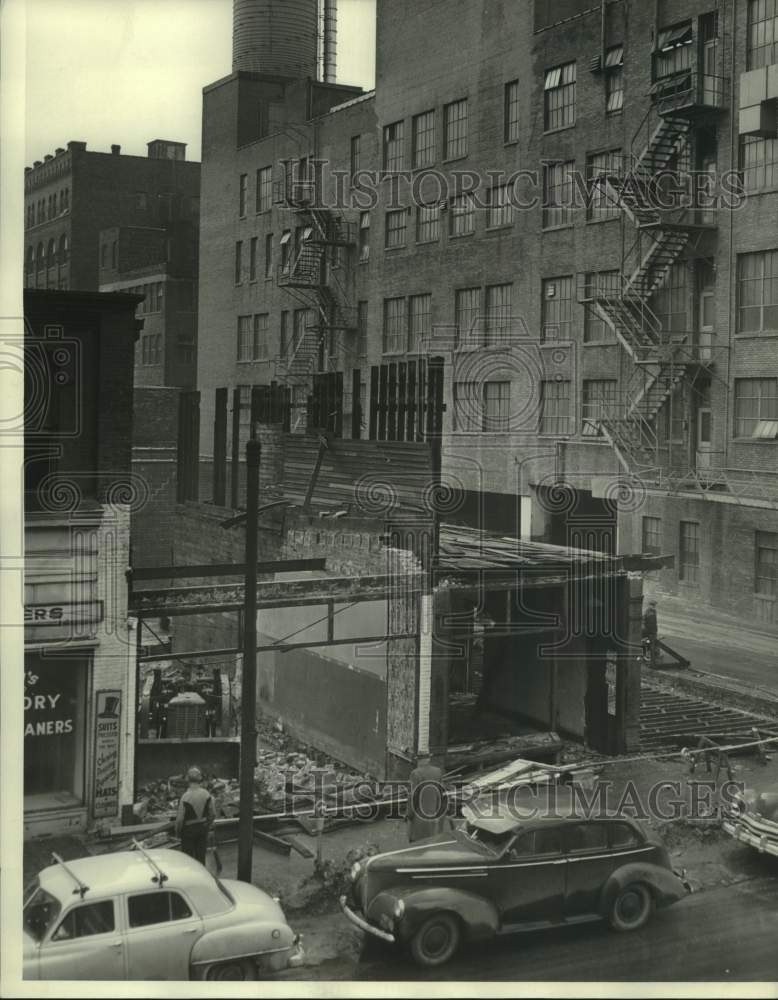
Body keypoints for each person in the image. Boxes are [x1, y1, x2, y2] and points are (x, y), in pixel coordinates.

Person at [175, 767, 215, 864]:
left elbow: (180, 820)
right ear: (200, 778)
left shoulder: (185, 796)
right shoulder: (206, 794)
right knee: (201, 858)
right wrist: (207, 825)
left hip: (188, 831)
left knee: (188, 860)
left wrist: (177, 832)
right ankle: (202, 877)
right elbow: (213, 814)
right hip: (202, 829)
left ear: (187, 779)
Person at [406, 754, 450, 843]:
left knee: (417, 843)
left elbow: (413, 797)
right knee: (431, 841)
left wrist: (409, 814)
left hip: (419, 817)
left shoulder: (416, 773)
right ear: (428, 759)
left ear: (419, 760)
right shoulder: (437, 771)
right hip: (433, 814)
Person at [641, 599, 659, 667]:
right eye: (652, 605)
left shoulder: (654, 611)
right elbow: (643, 620)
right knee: (646, 645)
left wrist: (655, 631)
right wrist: (644, 629)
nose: (653, 606)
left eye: (654, 605)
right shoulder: (647, 612)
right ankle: (645, 658)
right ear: (649, 605)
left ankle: (652, 661)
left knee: (652, 646)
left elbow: (655, 622)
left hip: (652, 631)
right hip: (647, 631)